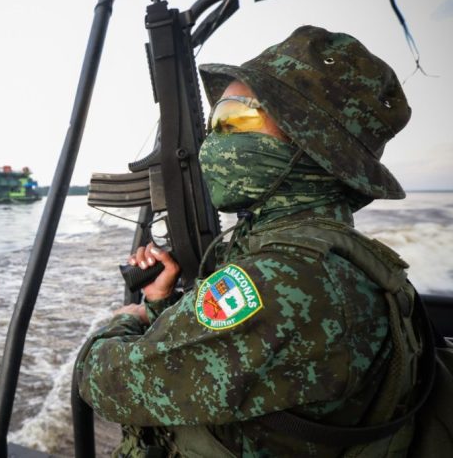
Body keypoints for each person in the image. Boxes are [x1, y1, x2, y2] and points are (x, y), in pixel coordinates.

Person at [76, 25, 425, 456]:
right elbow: (225, 358)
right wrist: (161, 301)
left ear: (314, 144)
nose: (213, 140)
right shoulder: (310, 254)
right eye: (216, 122)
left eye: (235, 119)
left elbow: (105, 382)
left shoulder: (286, 280)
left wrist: (126, 321)